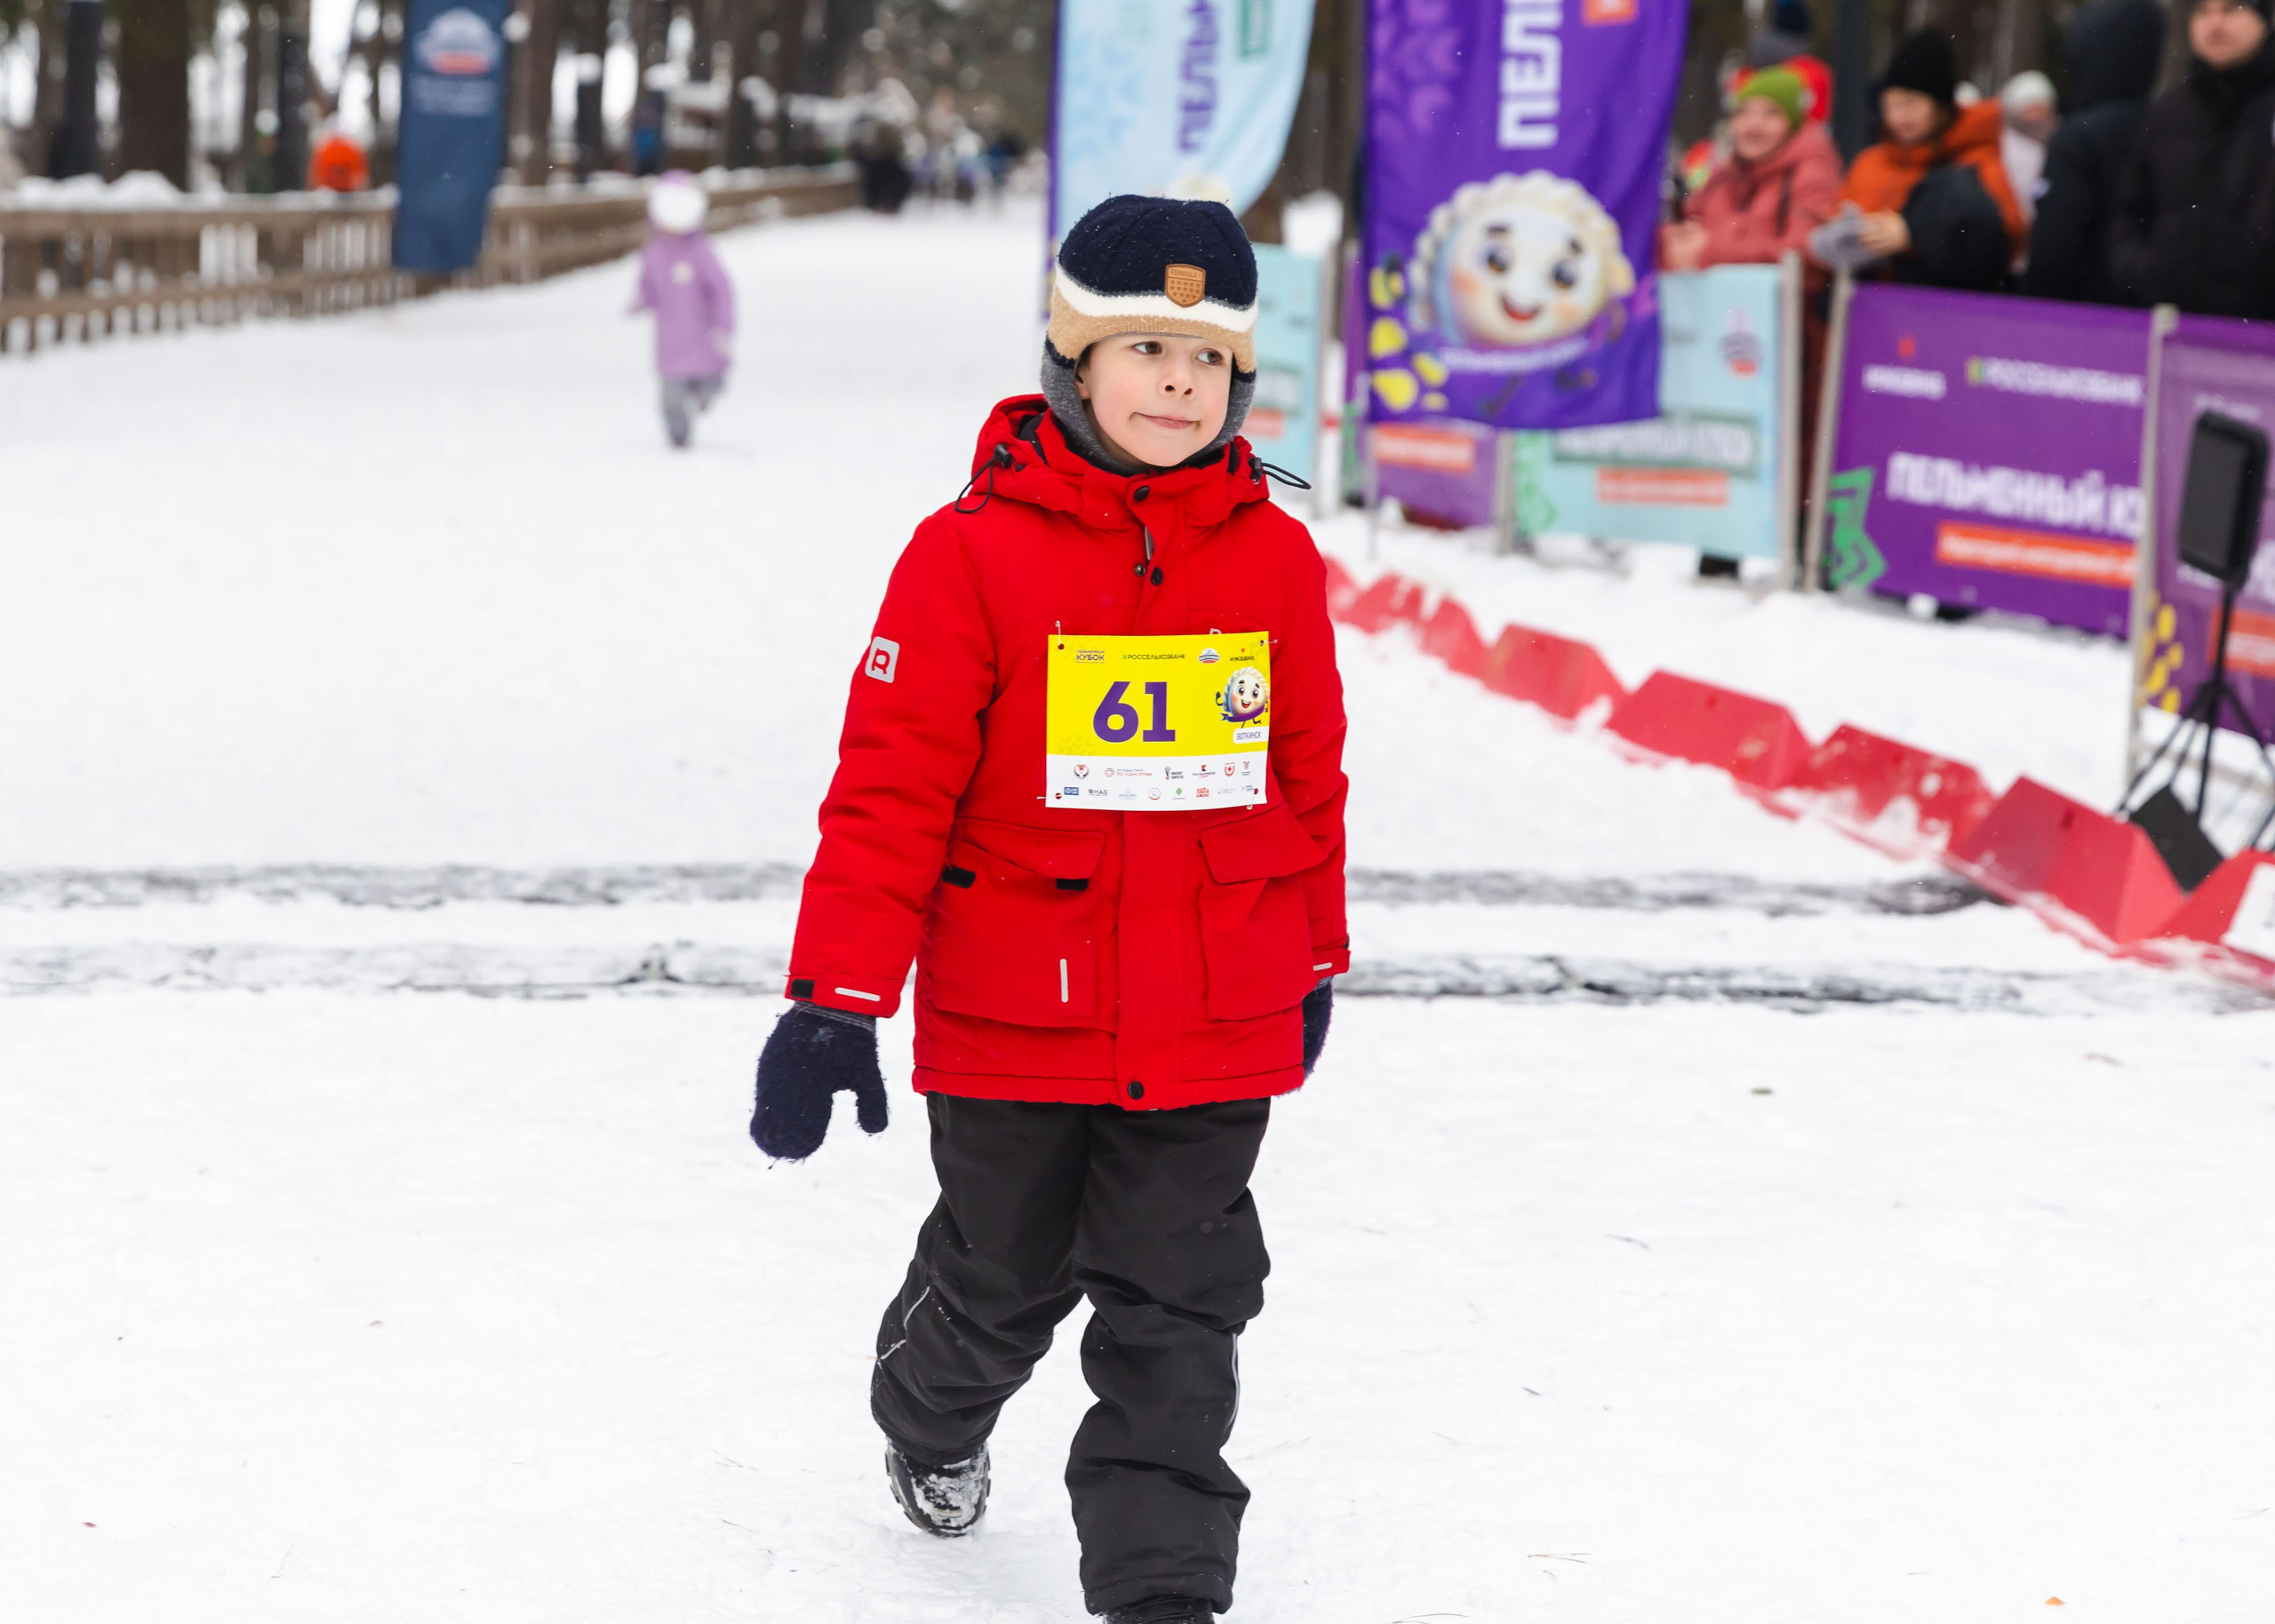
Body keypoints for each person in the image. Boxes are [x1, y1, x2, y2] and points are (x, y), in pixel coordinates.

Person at [748, 194, 1348, 1624]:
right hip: (1016, 1016)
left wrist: (1314, 958)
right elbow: (890, 790)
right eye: (1146, 350)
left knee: (1182, 1306)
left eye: (1208, 360)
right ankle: (927, 1418)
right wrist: (836, 1001)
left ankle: (1162, 1587)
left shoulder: (1273, 559)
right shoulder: (969, 555)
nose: (1179, 384)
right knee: (1001, 1282)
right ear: (1073, 362)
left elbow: (1307, 777)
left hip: (1213, 1015)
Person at [1822, 29, 2025, 290]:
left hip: (1939, 305)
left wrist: (1916, 236)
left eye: (1911, 103)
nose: (1899, 116)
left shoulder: (1978, 162)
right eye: (1890, 105)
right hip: (1870, 303)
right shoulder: (1870, 161)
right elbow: (1837, 214)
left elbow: (2006, 238)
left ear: (1940, 105)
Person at [2110, 0, 2275, 318]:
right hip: (2171, 321)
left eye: (2231, 9)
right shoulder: (2168, 111)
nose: (2215, 23)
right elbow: (2130, 211)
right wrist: (2143, 274)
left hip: (2261, 328)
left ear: (2263, 21)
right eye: (2203, 11)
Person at [2023, 0, 2167, 302]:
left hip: (2083, 312)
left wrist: (2033, 305)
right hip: (2150, 308)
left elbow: (2055, 247)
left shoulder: (2078, 138)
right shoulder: (2168, 125)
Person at [1662, 66, 1842, 271]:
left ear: (1793, 125)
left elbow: (1807, 256)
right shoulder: (1723, 176)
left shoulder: (1812, 175)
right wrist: (1673, 239)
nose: (1753, 125)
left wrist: (1710, 254)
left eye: (1771, 114)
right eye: (1744, 112)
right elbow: (1686, 227)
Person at [628, 172, 733, 450]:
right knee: (671, 392)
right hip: (671, 340)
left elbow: (721, 291)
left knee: (708, 379)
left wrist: (723, 324)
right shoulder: (654, 253)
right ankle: (678, 435)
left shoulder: (701, 253)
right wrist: (642, 301)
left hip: (702, 333)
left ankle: (705, 394)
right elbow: (648, 284)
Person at [1997, 70, 2058, 228]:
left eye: (2042, 108)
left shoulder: (2059, 142)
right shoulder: (2005, 149)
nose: (2037, 117)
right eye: (2030, 110)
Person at [307, 127, 370, 194]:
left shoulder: (353, 150)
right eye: (336, 171)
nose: (338, 177)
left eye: (342, 171)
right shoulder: (324, 150)